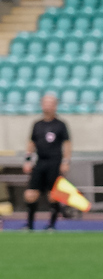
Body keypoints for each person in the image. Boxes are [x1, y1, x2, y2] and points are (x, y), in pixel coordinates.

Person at [21, 93, 70, 230]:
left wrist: (66, 161)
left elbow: (67, 144)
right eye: (45, 103)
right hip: (40, 161)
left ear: (55, 106)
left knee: (52, 194)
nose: (47, 106)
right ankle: (29, 225)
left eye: (50, 103)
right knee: (30, 193)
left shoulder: (60, 125)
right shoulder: (37, 124)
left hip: (54, 162)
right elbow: (31, 142)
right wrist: (27, 159)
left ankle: (51, 226)